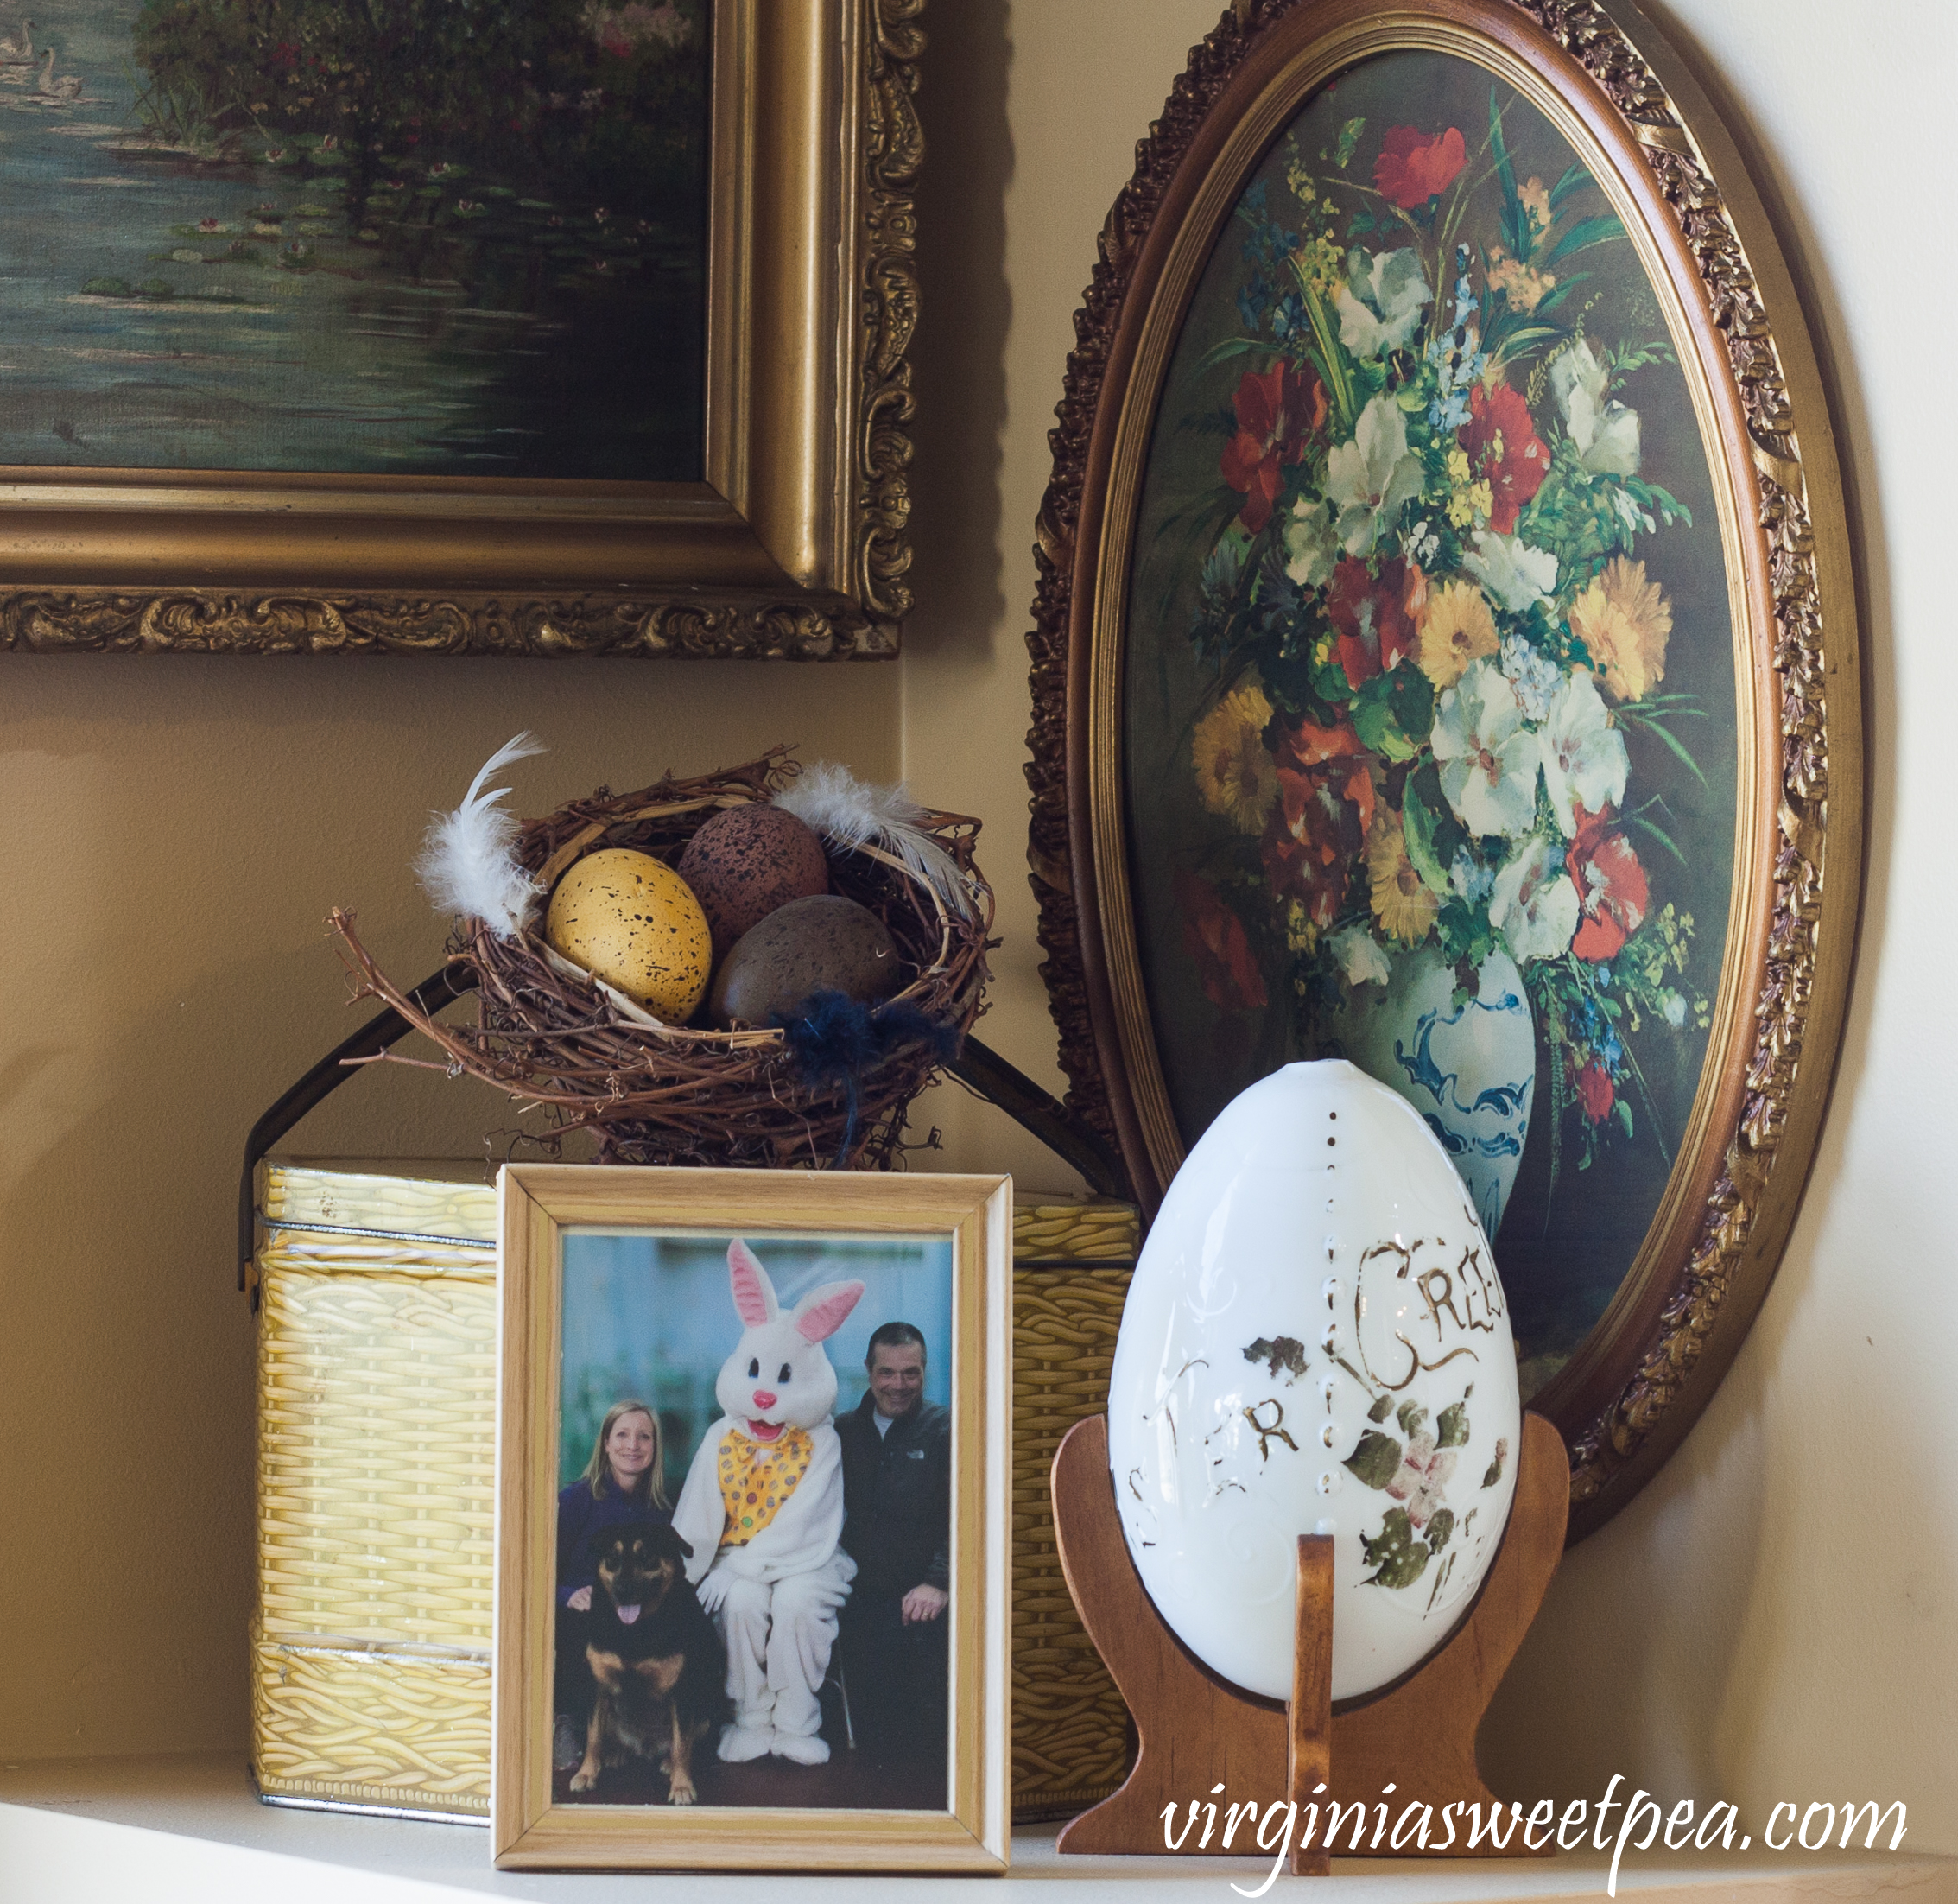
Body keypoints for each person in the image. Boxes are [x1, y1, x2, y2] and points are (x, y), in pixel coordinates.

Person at [833, 1323, 950, 1760]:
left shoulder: (947, 1430)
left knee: (916, 1747)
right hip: (856, 1597)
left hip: (921, 1601)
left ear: (925, 1372)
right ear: (868, 1371)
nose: (898, 1385)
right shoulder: (842, 1432)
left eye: (910, 1373)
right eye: (887, 1372)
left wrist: (940, 1582)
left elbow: (970, 1513)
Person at [554, 1400, 669, 1770]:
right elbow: (539, 1571)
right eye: (622, 1435)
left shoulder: (662, 1508)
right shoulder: (576, 1501)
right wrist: (568, 1595)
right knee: (579, 1628)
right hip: (583, 1613)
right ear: (605, 1443)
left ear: (655, 1447)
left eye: (644, 1437)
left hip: (640, 1612)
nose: (632, 1445)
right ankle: (570, 1723)